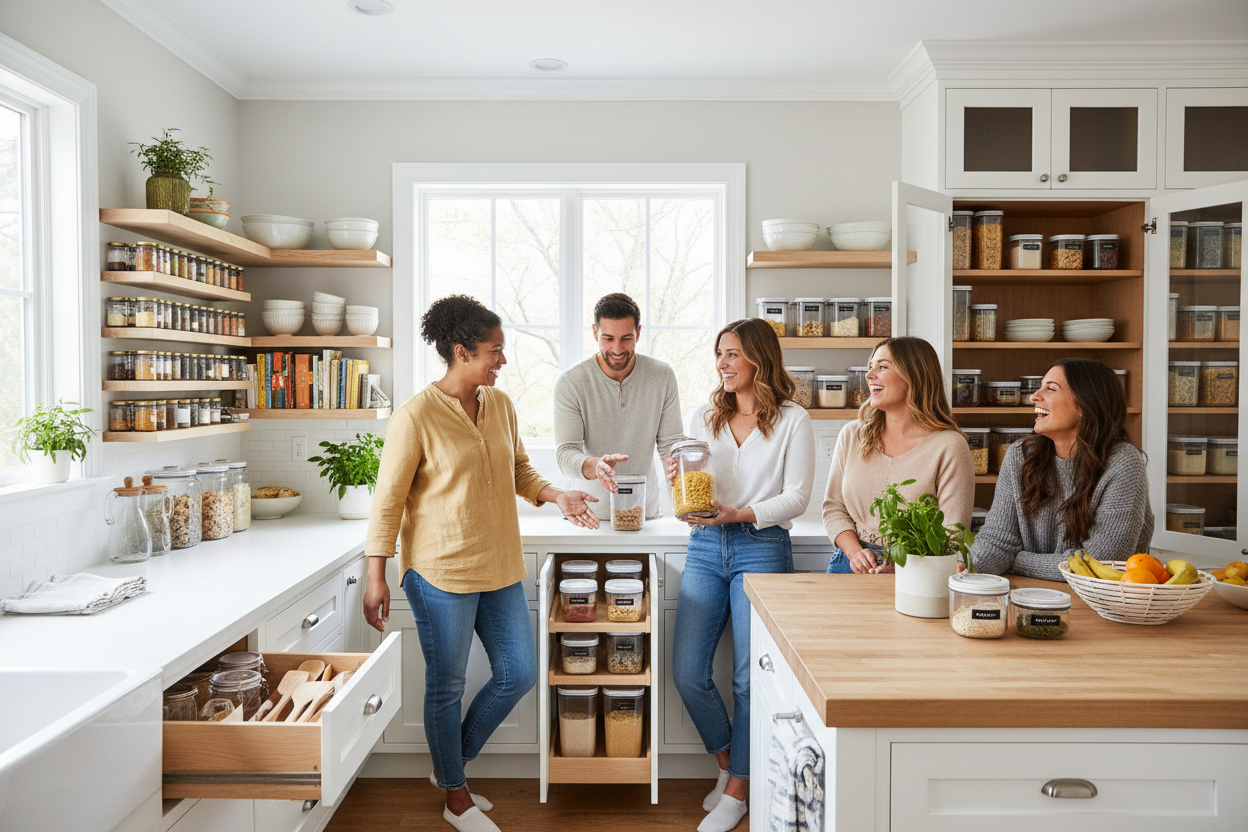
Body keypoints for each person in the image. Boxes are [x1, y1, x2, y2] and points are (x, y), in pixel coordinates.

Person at [362, 295, 599, 832]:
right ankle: (456, 796)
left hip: (498, 566)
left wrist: (556, 495)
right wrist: (375, 574)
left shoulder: (500, 405)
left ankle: (450, 767)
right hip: (438, 572)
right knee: (445, 685)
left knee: (519, 672)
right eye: (495, 352)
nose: (503, 361)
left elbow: (518, 469)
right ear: (462, 352)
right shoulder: (416, 416)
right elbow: (387, 502)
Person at [669, 318, 815, 832]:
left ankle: (736, 793)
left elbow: (797, 495)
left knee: (752, 680)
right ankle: (734, 766)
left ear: (758, 358)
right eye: (719, 355)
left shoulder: (793, 419)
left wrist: (742, 514)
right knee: (687, 671)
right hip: (707, 545)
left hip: (763, 547)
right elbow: (696, 484)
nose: (722, 364)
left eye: (731, 354)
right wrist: (681, 485)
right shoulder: (706, 414)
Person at [970, 357, 1152, 580]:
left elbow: (1100, 563)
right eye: (1040, 387)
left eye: (1050, 389)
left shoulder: (1124, 463)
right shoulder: (1019, 456)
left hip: (1101, 604)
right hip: (1030, 594)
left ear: (1085, 404)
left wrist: (1017, 560)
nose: (1034, 396)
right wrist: (965, 565)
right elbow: (997, 541)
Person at [823, 337, 974, 573]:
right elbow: (834, 507)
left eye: (882, 367)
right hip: (849, 563)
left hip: (918, 568)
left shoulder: (949, 446)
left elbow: (952, 533)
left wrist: (905, 566)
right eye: (870, 367)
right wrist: (855, 552)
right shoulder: (852, 435)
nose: (869, 375)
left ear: (914, 375)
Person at [554, 292, 684, 520]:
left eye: (626, 338)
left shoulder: (662, 376)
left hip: (645, 515)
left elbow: (670, 447)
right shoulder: (570, 383)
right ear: (595, 333)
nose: (617, 349)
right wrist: (594, 465)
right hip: (587, 515)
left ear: (638, 333)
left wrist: (683, 501)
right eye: (608, 338)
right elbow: (565, 454)